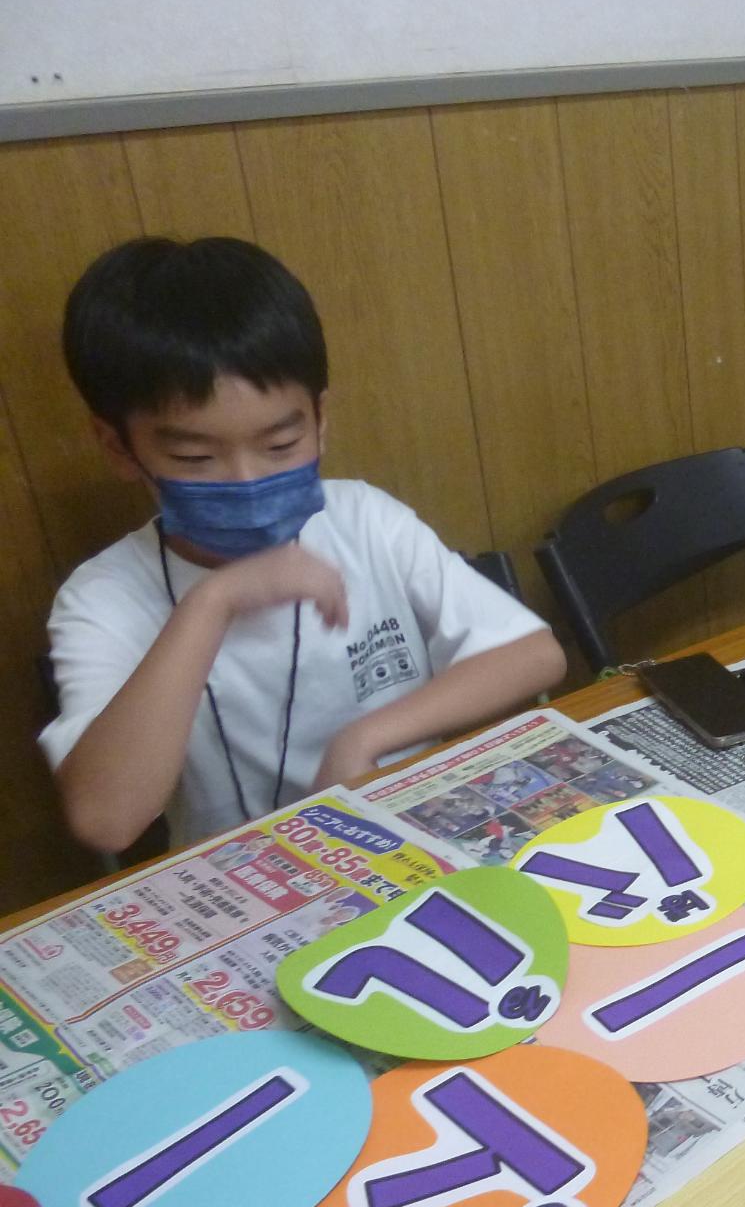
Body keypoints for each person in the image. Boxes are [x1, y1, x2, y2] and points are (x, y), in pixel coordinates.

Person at [42, 236, 568, 854]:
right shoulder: (103, 598)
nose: (248, 481)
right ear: (119, 448)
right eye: (194, 456)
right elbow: (106, 819)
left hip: (415, 837)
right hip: (248, 880)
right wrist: (212, 603)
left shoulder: (363, 519)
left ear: (319, 420)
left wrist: (363, 738)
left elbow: (533, 655)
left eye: (280, 446)